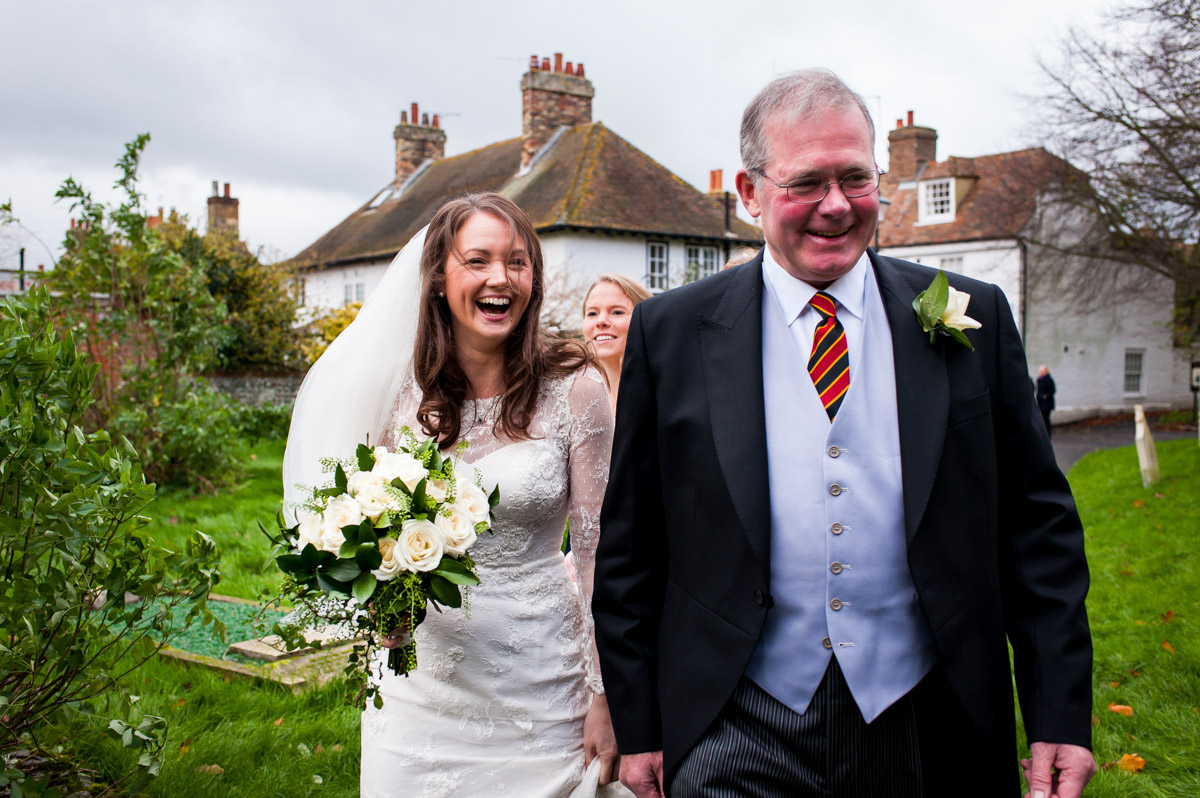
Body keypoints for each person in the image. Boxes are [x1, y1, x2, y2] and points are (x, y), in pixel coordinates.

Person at [593, 70, 1095, 798]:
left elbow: (1037, 531)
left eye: (856, 178)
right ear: (751, 191)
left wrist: (1058, 712)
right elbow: (632, 546)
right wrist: (640, 724)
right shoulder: (670, 334)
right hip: (737, 717)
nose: (836, 206)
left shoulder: (968, 316)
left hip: (932, 713)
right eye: (807, 183)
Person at [285, 193, 628, 797]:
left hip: (542, 687)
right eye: (478, 260)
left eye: (517, 262)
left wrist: (607, 695)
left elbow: (603, 553)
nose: (501, 278)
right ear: (440, 278)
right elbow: (368, 520)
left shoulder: (575, 389)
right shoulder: (401, 394)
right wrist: (376, 593)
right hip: (420, 690)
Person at [582, 274, 653, 412]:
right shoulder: (571, 390)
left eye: (617, 312)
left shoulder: (662, 393)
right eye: (592, 313)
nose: (601, 321)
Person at [1037, 365, 1057, 437]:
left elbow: (1052, 390)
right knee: (1042, 419)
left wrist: (1045, 396)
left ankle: (1048, 435)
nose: (1041, 372)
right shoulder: (1039, 379)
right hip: (1041, 403)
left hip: (1046, 404)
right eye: (1040, 371)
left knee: (1046, 419)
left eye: (1042, 371)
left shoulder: (1048, 380)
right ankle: (1044, 434)